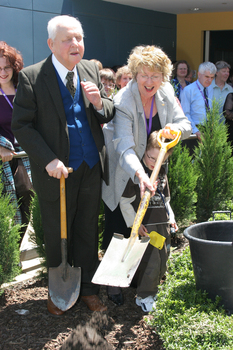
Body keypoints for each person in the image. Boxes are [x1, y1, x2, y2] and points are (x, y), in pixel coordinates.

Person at [11, 15, 115, 315]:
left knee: (86, 229)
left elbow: (106, 112)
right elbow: (22, 126)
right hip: (57, 172)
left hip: (91, 166)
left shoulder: (89, 70)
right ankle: (58, 292)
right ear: (51, 44)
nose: (75, 44)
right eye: (68, 39)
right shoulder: (33, 77)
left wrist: (98, 103)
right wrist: (48, 159)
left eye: (79, 38)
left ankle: (88, 290)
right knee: (59, 231)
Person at [102, 45, 191, 305]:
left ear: (163, 76)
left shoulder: (166, 92)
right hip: (124, 169)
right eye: (144, 75)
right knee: (119, 226)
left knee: (146, 226)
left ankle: (141, 277)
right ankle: (114, 283)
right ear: (134, 74)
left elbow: (185, 124)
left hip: (152, 166)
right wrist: (141, 175)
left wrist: (174, 128)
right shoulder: (123, 101)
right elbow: (125, 147)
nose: (149, 81)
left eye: (155, 75)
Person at [119, 131, 177, 312]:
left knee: (162, 260)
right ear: (144, 151)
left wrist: (172, 218)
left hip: (162, 225)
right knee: (151, 263)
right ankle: (144, 296)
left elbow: (166, 200)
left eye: (159, 159)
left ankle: (154, 291)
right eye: (150, 157)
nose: (153, 162)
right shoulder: (137, 175)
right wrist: (134, 224)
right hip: (147, 227)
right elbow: (124, 201)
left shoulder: (162, 174)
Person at [0, 41, 34, 244]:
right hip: (3, 155)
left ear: (14, 66)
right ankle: (9, 254)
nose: (3, 72)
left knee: (27, 194)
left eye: (6, 67)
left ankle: (15, 246)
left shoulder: (25, 89)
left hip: (25, 154)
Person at [181, 61, 216, 141]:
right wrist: (196, 130)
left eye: (212, 77)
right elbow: (185, 113)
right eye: (207, 76)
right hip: (194, 130)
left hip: (208, 129)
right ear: (199, 74)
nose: (209, 80)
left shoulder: (210, 89)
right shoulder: (188, 90)